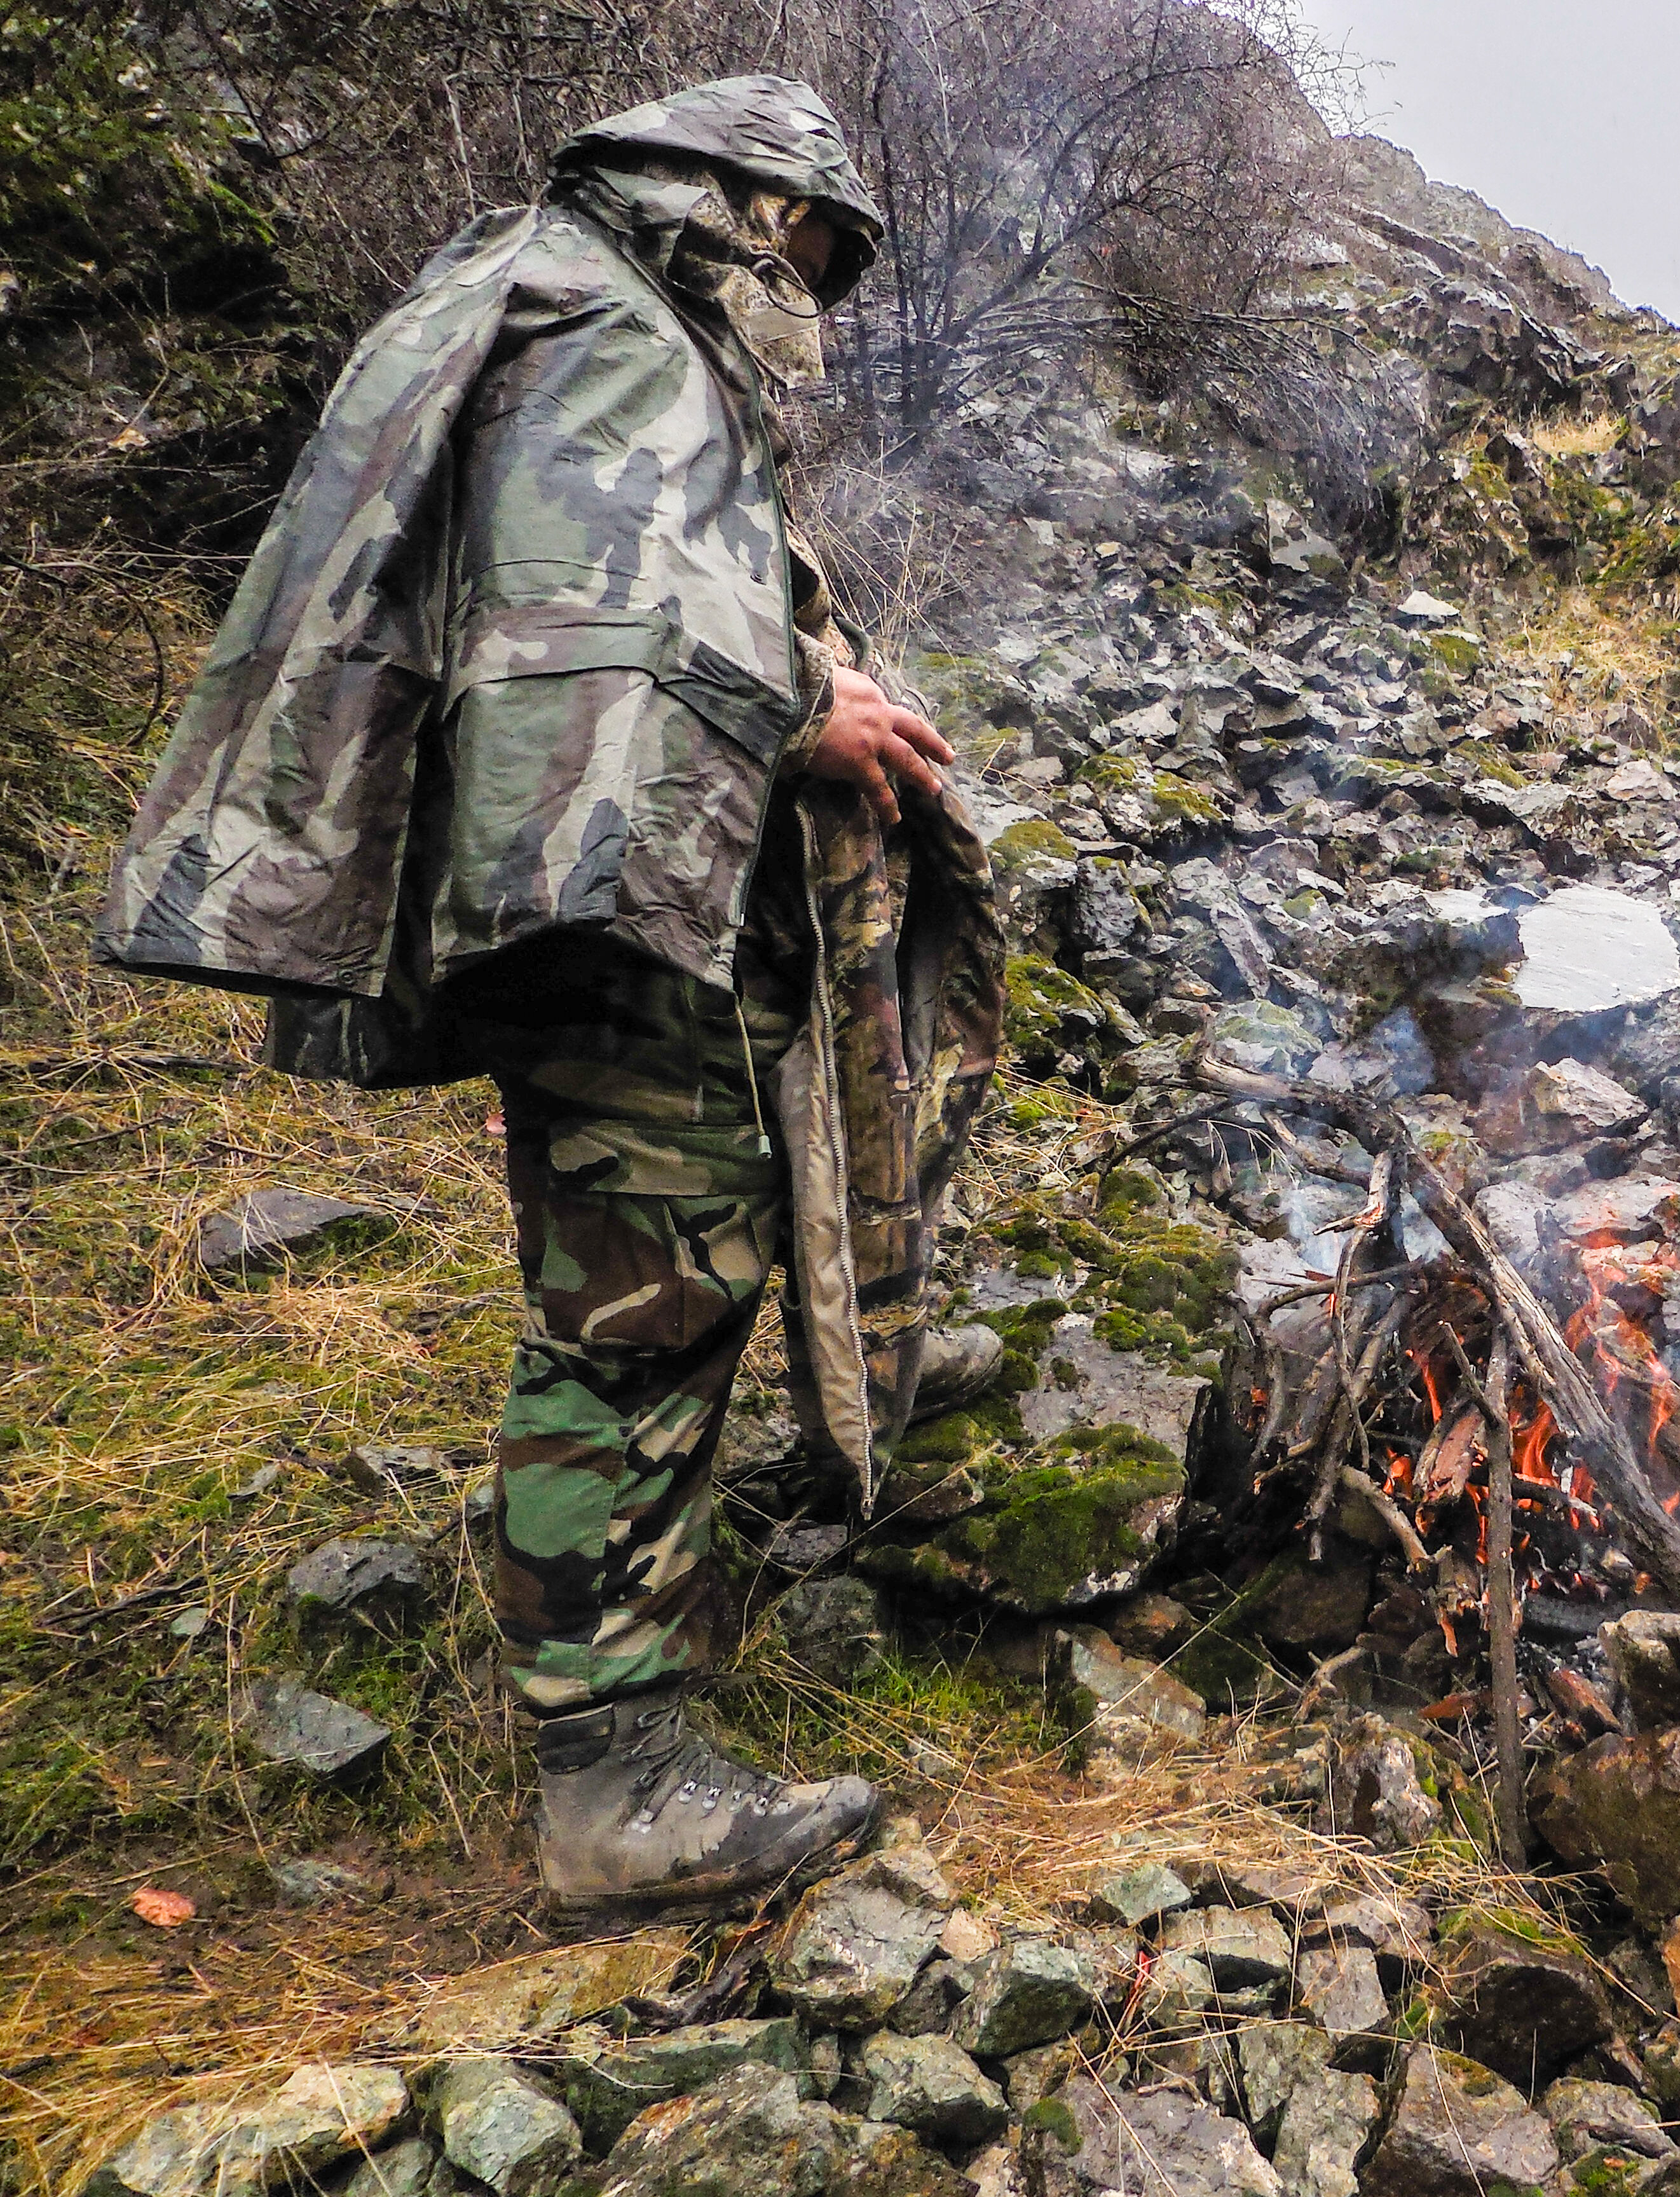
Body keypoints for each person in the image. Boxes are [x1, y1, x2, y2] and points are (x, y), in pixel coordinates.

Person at [97, 78, 1007, 1915]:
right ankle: (615, 1775)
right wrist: (798, 708)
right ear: (738, 207)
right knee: (645, 1295)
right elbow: (577, 624)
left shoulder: (546, 295)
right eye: (810, 255)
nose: (811, 301)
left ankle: (647, 1615)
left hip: (595, 882)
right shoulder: (602, 323)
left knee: (657, 1269)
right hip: (601, 905)